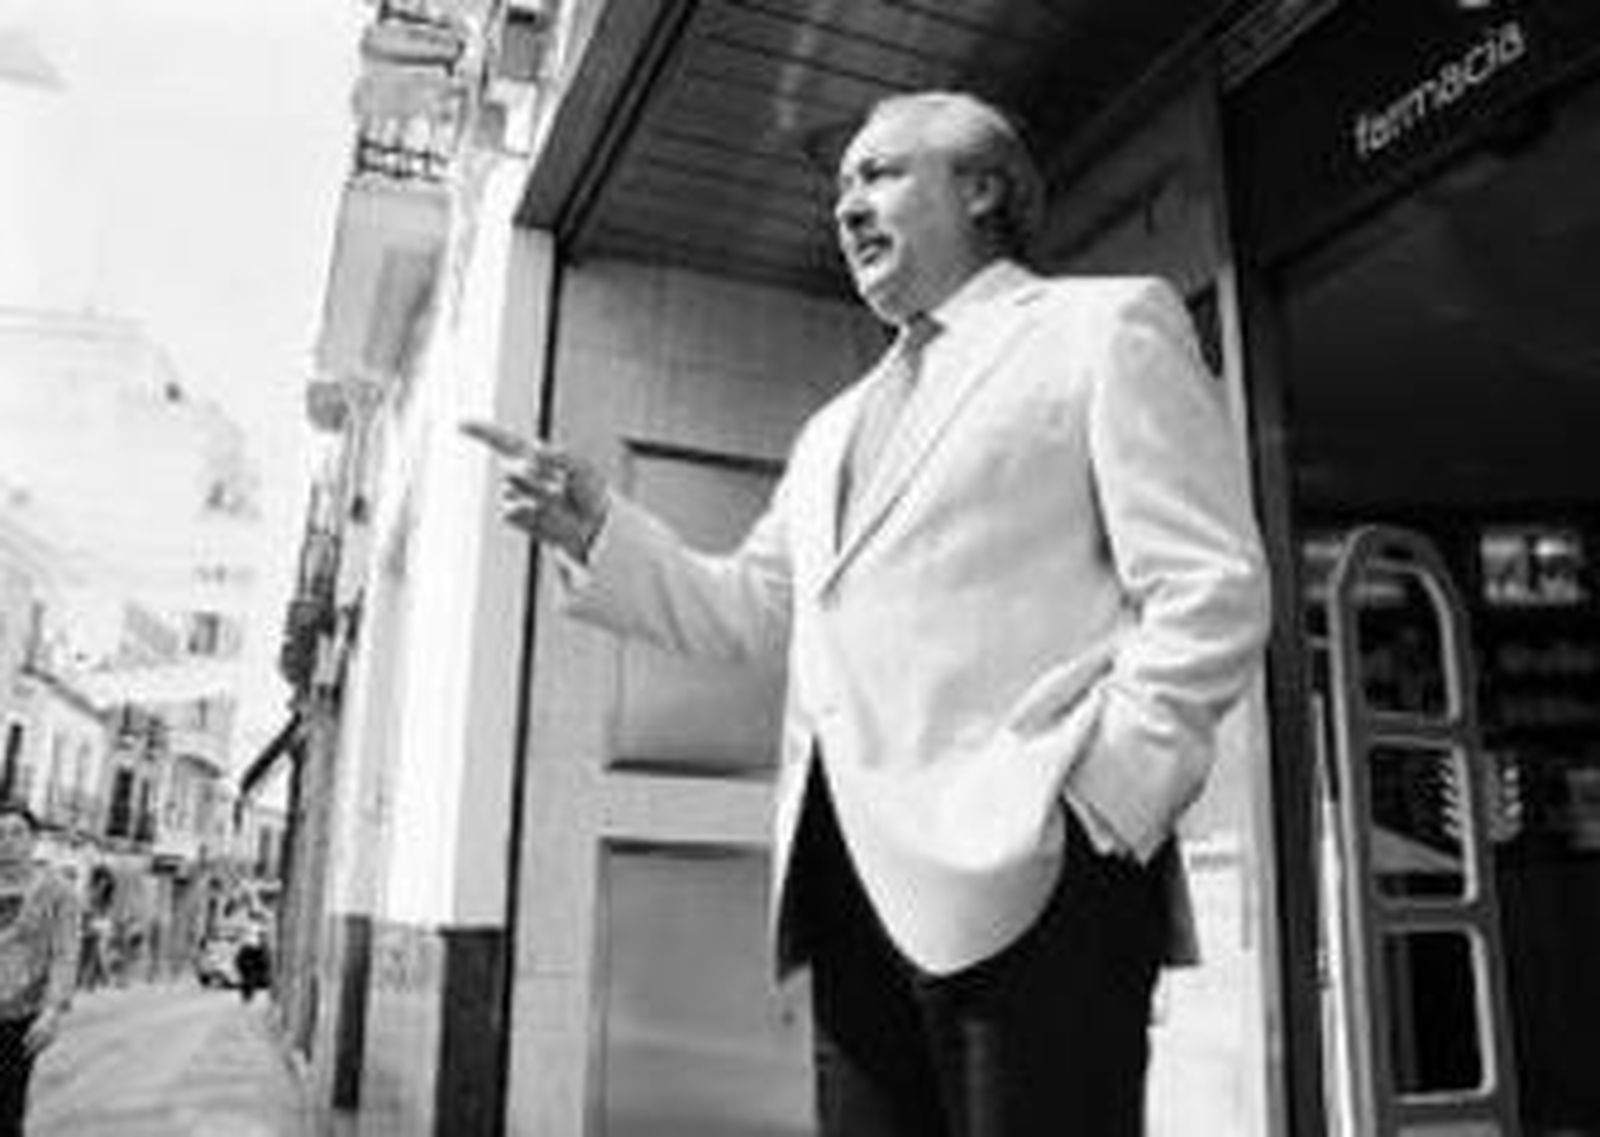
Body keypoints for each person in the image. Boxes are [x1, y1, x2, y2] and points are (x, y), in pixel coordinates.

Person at [467, 90, 1270, 1136]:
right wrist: (598, 533)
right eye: (842, 185)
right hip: (848, 887)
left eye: (881, 173)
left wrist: (1101, 803)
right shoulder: (832, 429)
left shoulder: (1102, 327)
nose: (846, 206)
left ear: (982, 188)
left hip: (1035, 872)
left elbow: (1210, 584)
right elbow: (748, 612)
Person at [0, 803, 79, 1137]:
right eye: (0, 834)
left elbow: (65, 954)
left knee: (5, 1109)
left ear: (34, 840)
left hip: (17, 1017)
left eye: (17, 833)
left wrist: (52, 1011)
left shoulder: (58, 892)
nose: (7, 842)